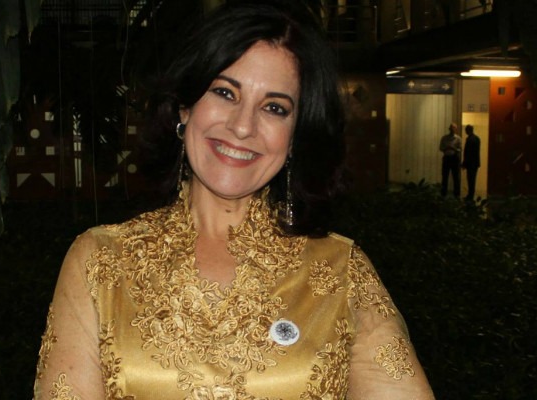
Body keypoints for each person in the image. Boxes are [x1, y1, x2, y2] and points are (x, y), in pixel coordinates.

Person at [33, 2, 435, 399]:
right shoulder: (99, 261)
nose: (243, 126)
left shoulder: (341, 270)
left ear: (295, 135)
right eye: (225, 92)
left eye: (274, 108)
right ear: (185, 107)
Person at [439, 122, 462, 197]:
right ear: (449, 128)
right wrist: (446, 148)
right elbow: (441, 148)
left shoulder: (458, 138)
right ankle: (443, 193)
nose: (452, 129)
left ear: (456, 129)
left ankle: (456, 194)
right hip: (446, 158)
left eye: (454, 128)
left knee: (455, 177)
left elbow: (460, 149)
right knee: (445, 176)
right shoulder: (444, 138)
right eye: (452, 127)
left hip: (454, 158)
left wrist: (453, 148)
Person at [461, 124, 481, 201]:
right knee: (472, 179)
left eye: (466, 130)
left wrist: (464, 163)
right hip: (475, 163)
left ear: (468, 130)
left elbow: (468, 153)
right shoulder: (477, 139)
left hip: (470, 163)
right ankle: (471, 195)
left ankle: (470, 195)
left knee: (470, 179)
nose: (465, 131)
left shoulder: (469, 140)